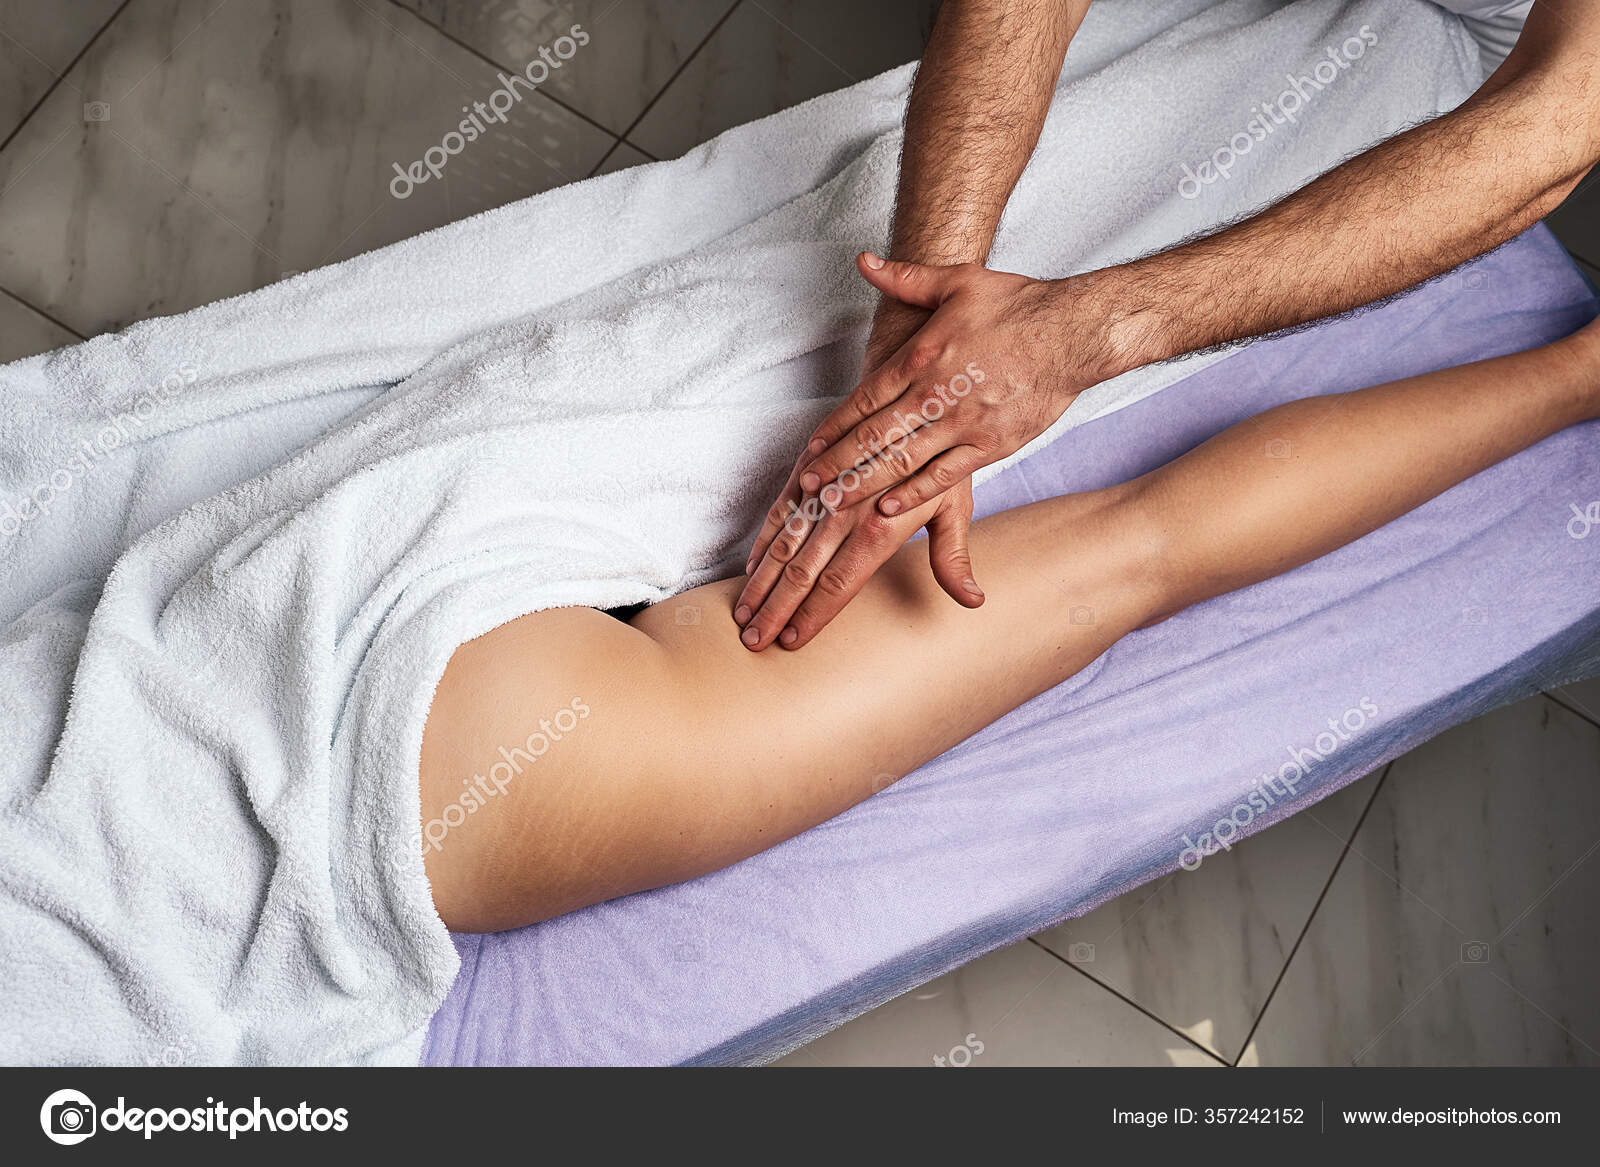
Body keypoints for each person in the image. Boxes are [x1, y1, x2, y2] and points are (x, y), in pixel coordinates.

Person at [419, 311, 1600, 932]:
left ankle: (1579, 376)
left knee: (1138, 551)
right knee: (1137, 549)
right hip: (452, 742)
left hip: (450, 767)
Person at [734, 0, 1599, 653]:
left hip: (1497, 57)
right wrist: (921, 327)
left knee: (1140, 543)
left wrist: (1083, 335)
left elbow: (1555, 124)